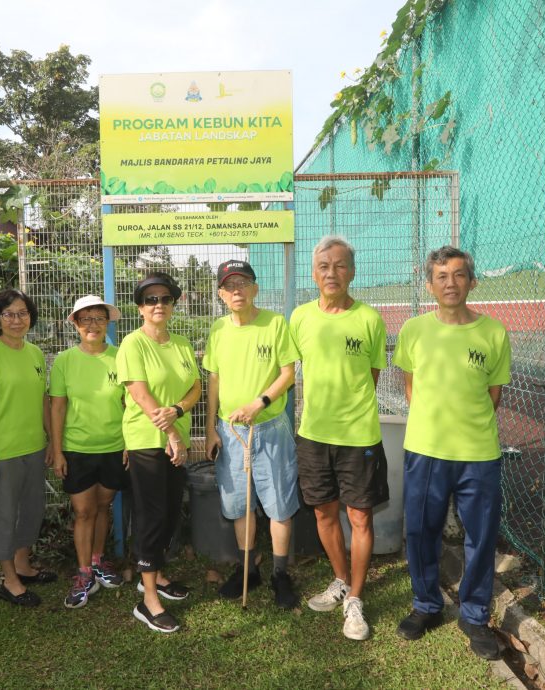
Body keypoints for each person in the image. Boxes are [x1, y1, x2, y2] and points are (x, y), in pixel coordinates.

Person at [392, 245, 512, 660]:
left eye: (459, 275)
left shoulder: (493, 332)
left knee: (481, 536)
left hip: (478, 454)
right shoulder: (413, 330)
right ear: (430, 284)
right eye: (441, 276)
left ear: (472, 282)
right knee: (421, 531)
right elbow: (411, 386)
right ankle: (426, 605)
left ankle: (474, 615)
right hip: (425, 451)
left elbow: (493, 396)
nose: (450, 283)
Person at [290, 236, 390, 640]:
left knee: (360, 516)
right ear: (314, 273)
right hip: (313, 434)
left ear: (353, 271)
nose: (332, 273)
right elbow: (289, 370)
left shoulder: (370, 319)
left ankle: (356, 600)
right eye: (324, 266)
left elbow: (372, 376)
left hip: (358, 436)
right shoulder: (299, 318)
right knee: (323, 514)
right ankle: (341, 579)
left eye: (341, 265)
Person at [203, 260, 300, 609]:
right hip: (231, 433)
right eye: (229, 286)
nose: (237, 291)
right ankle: (248, 570)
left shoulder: (275, 324)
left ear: (255, 288)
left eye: (243, 283)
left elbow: (287, 373)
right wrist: (212, 427)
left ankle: (279, 574)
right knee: (240, 504)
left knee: (279, 506)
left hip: (270, 428)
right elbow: (213, 377)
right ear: (221, 294)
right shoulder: (218, 330)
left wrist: (260, 402)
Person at [117, 272, 201, 633]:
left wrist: (178, 413)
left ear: (173, 304)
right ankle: (148, 600)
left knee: (169, 514)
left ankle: (157, 575)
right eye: (150, 299)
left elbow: (196, 387)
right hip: (147, 441)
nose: (158, 305)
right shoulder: (132, 344)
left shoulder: (181, 344)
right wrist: (172, 435)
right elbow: (141, 395)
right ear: (140, 307)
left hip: (174, 439)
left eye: (164, 298)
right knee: (151, 516)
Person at [0, 289, 55, 609]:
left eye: (22, 313)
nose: (17, 320)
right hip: (2, 452)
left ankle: (23, 565)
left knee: (32, 511)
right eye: (9, 314)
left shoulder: (34, 353)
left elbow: (43, 401)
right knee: (5, 516)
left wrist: (51, 441)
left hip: (33, 446)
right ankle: (9, 580)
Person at [50, 295, 128, 609]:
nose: (92, 325)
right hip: (77, 449)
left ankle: (97, 561)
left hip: (113, 447)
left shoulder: (121, 357)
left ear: (107, 323)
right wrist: (58, 452)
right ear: (76, 324)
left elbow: (129, 404)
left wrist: (129, 444)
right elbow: (57, 408)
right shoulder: (65, 361)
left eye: (98, 318)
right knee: (83, 511)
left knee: (104, 506)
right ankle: (83, 574)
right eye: (86, 319)